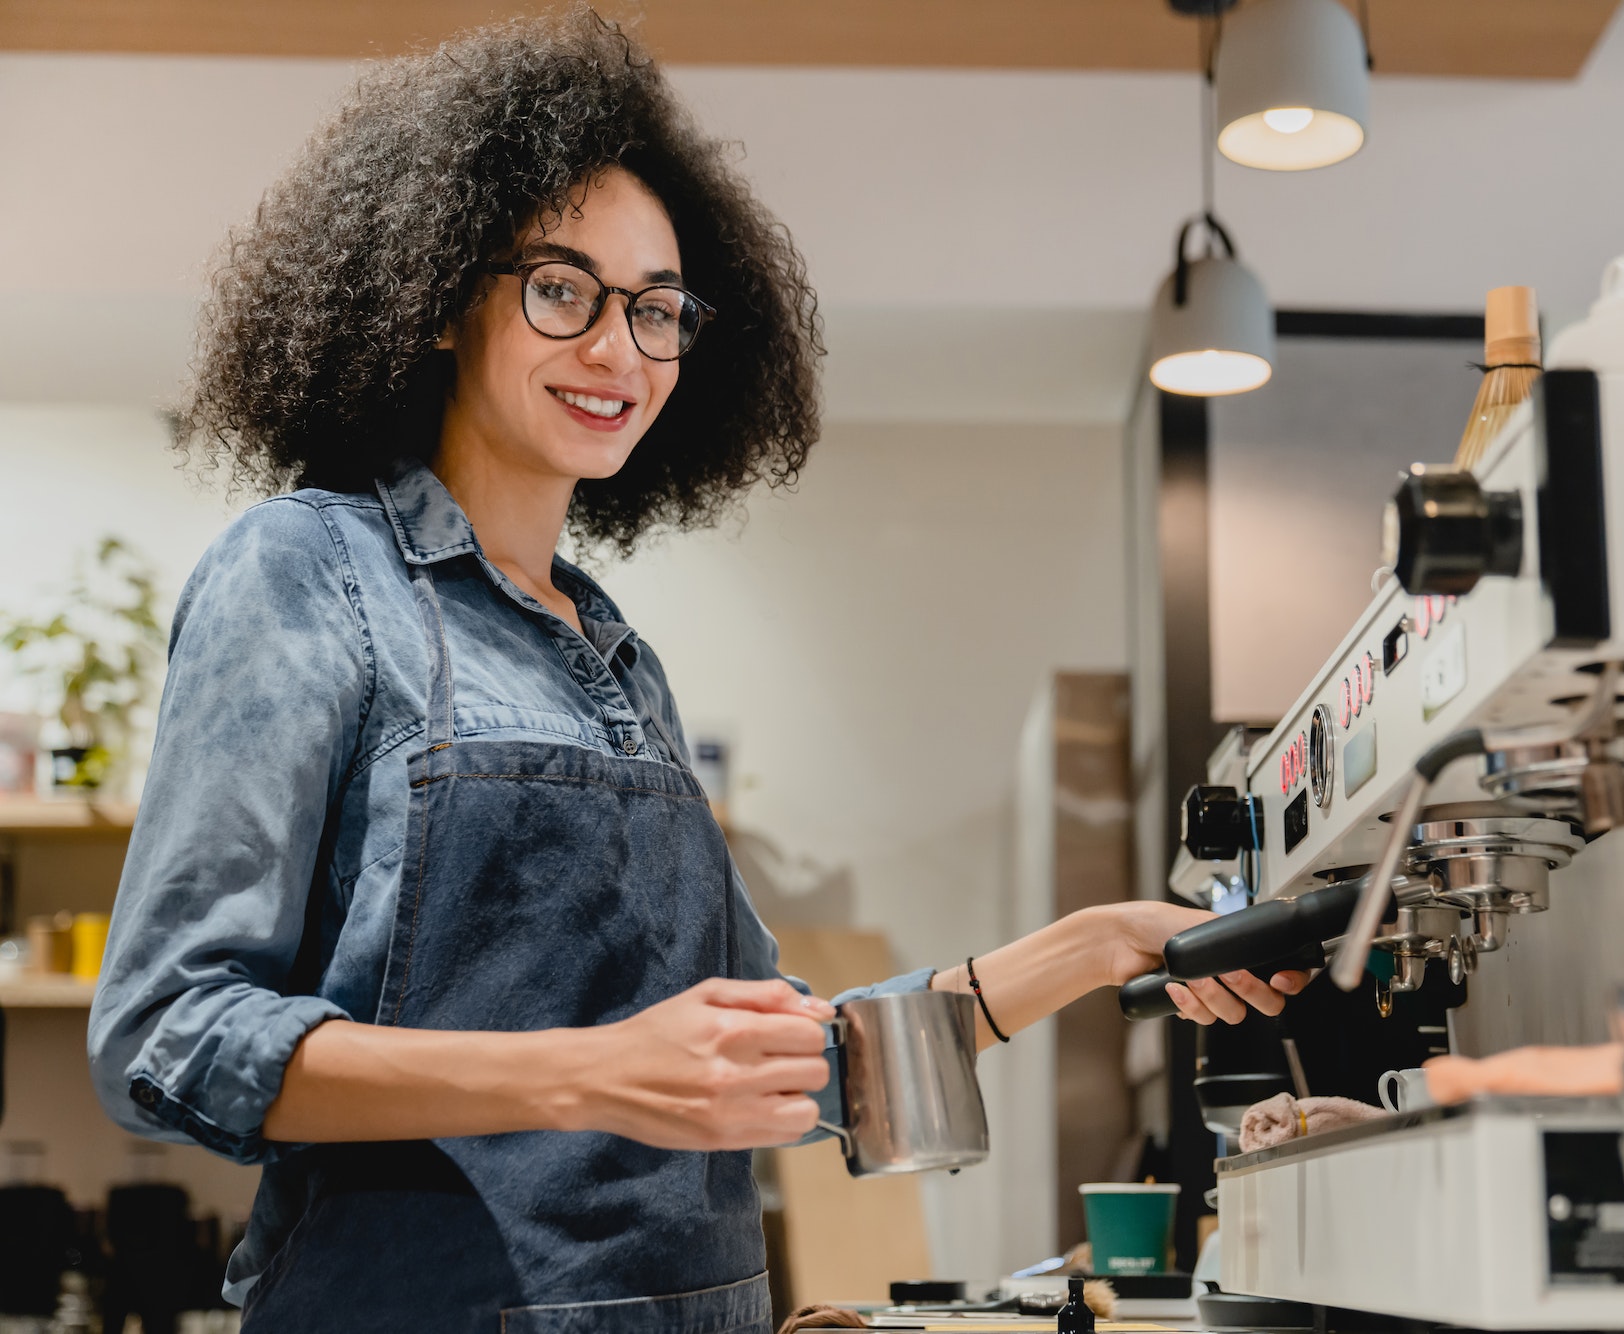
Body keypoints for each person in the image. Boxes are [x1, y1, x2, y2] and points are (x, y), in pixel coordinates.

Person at [85, 12, 1304, 1333]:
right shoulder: (308, 571)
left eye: (657, 310)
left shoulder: (620, 662)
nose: (618, 351)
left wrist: (1098, 941)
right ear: (441, 293)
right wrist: (595, 1072)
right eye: (564, 289)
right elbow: (171, 1033)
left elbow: (794, 1060)